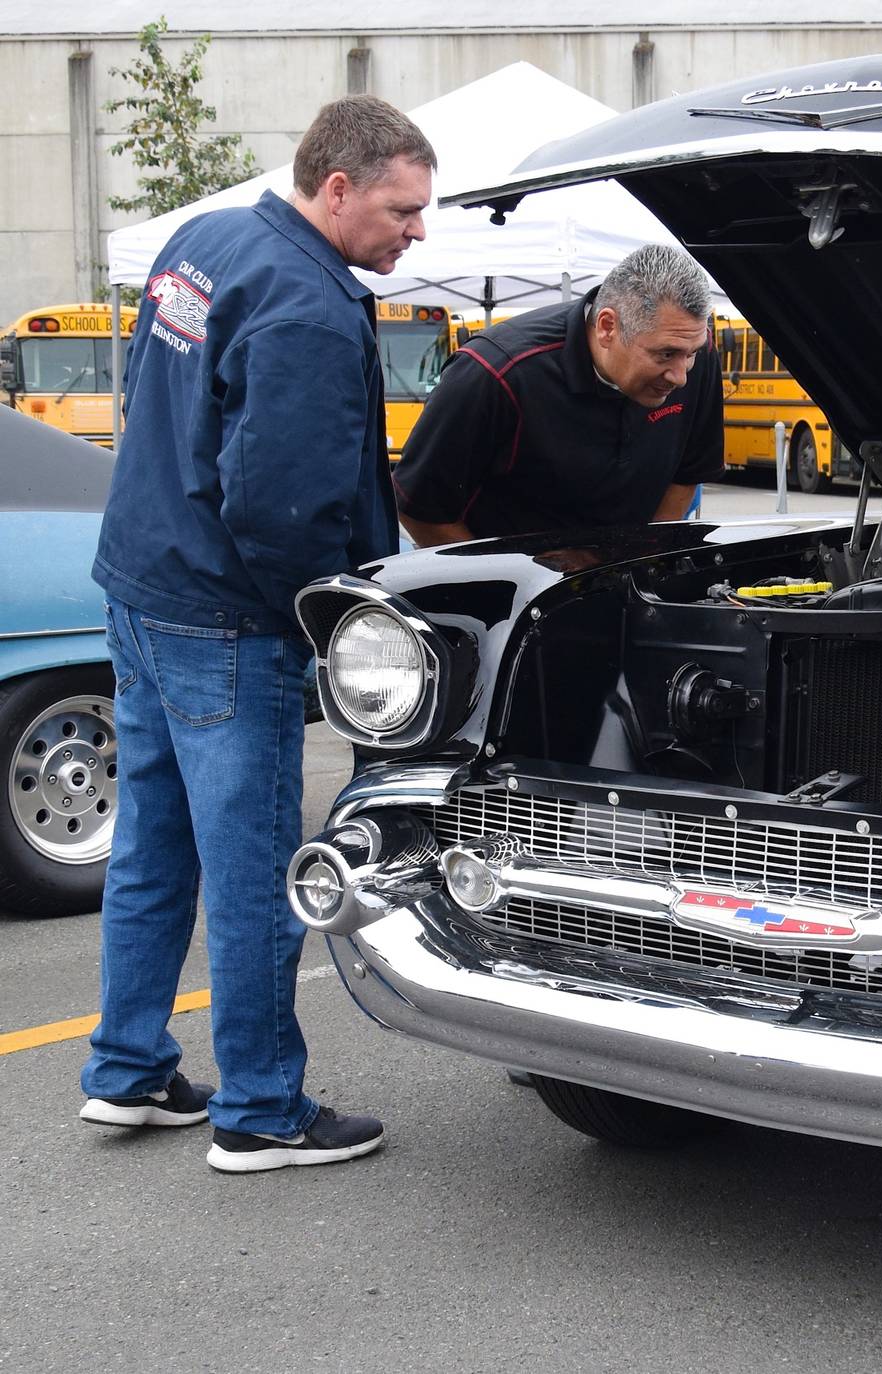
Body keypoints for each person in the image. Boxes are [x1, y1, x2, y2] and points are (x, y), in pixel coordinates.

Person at [81, 96, 435, 1173]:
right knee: (250, 873)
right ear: (337, 188)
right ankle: (261, 1109)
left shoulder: (208, 239)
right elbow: (279, 510)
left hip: (144, 583)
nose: (417, 233)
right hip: (227, 618)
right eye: (401, 210)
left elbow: (149, 391)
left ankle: (128, 1072)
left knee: (151, 847)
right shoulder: (306, 311)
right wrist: (331, 629)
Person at [392, 244, 724, 547]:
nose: (681, 376)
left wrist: (644, 558)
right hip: (513, 596)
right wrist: (503, 587)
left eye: (690, 353)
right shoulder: (495, 374)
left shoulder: (695, 351)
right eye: (665, 355)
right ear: (607, 327)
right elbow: (420, 507)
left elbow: (688, 474)